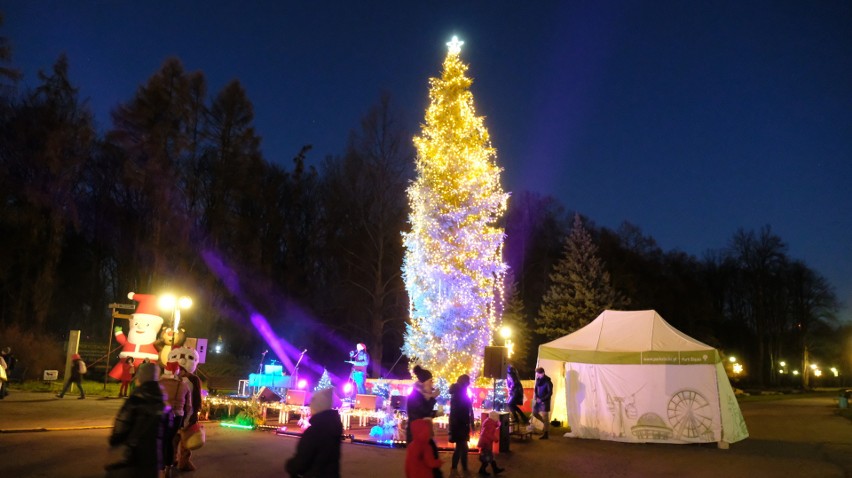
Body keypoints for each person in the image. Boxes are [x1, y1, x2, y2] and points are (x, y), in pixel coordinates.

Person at [105, 362, 165, 478]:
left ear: (141, 376)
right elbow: (168, 429)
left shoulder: (136, 398)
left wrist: (115, 440)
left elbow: (122, 422)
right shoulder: (163, 400)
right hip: (154, 456)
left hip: (134, 453)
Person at [285, 387, 343, 477]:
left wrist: (290, 466)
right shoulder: (334, 427)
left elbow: (302, 462)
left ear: (317, 407)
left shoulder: (314, 432)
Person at [159, 361, 192, 476]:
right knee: (169, 440)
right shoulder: (184, 386)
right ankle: (169, 466)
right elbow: (189, 406)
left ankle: (161, 467)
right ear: (177, 372)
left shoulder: (159, 383)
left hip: (162, 415)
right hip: (178, 416)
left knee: (162, 440)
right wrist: (185, 420)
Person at [448, 374, 475, 477]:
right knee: (461, 447)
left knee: (463, 447)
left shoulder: (460, 392)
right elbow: (461, 410)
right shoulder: (459, 393)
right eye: (468, 381)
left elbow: (467, 408)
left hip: (461, 424)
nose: (469, 384)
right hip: (459, 425)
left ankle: (462, 468)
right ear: (464, 382)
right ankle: (456, 469)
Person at [406, 365, 439, 443]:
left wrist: (435, 413)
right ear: (424, 382)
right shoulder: (416, 395)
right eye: (430, 381)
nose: (432, 384)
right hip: (416, 435)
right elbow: (424, 411)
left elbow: (426, 412)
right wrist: (433, 398)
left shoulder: (423, 395)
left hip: (422, 434)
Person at [477, 411, 504, 476]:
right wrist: (495, 439)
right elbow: (489, 434)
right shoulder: (490, 424)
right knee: (487, 457)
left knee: (489, 457)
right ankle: (484, 471)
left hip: (485, 442)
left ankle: (494, 469)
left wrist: (498, 424)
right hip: (486, 443)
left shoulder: (489, 422)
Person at [532, 367, 554, 439]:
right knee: (534, 412)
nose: (537, 375)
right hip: (538, 401)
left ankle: (546, 434)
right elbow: (536, 389)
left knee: (545, 417)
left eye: (538, 374)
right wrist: (536, 396)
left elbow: (550, 393)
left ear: (543, 373)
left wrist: (541, 399)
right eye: (537, 374)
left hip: (545, 402)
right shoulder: (538, 380)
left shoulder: (548, 382)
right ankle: (546, 424)